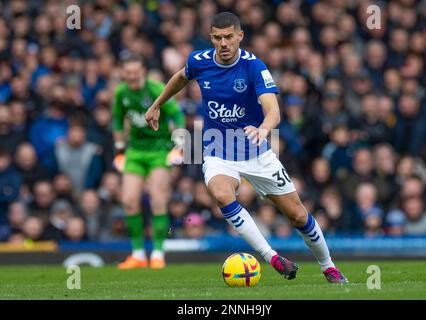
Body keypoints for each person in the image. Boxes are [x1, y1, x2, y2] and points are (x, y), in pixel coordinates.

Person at [145, 12, 347, 283]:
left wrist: (263, 129)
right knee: (220, 193)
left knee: (298, 215)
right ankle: (271, 257)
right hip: (218, 150)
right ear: (211, 38)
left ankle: (328, 266)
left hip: (257, 151)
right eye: (217, 38)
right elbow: (181, 76)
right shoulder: (199, 61)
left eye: (229, 37)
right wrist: (157, 103)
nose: (223, 43)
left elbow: (273, 111)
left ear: (240, 36)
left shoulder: (254, 66)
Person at [112, 54, 185, 269]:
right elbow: (117, 121)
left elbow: (177, 116)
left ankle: (158, 254)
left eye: (136, 72)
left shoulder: (156, 90)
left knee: (157, 199)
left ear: (142, 71)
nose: (132, 77)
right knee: (129, 200)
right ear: (123, 73)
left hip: (159, 151)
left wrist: (178, 146)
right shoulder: (120, 93)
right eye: (128, 73)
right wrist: (119, 150)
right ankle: (138, 254)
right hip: (134, 151)